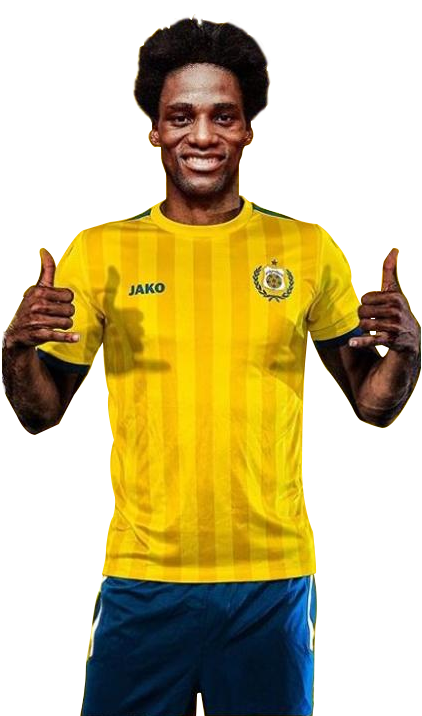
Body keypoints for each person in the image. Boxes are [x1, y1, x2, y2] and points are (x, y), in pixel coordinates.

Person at [2, 14, 420, 716]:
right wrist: (14, 350)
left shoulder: (306, 249)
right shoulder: (101, 251)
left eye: (223, 115)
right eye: (182, 117)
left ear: (249, 127)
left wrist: (409, 351)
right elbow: (40, 414)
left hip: (271, 580)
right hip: (144, 578)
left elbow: (374, 405)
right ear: (155, 129)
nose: (202, 136)